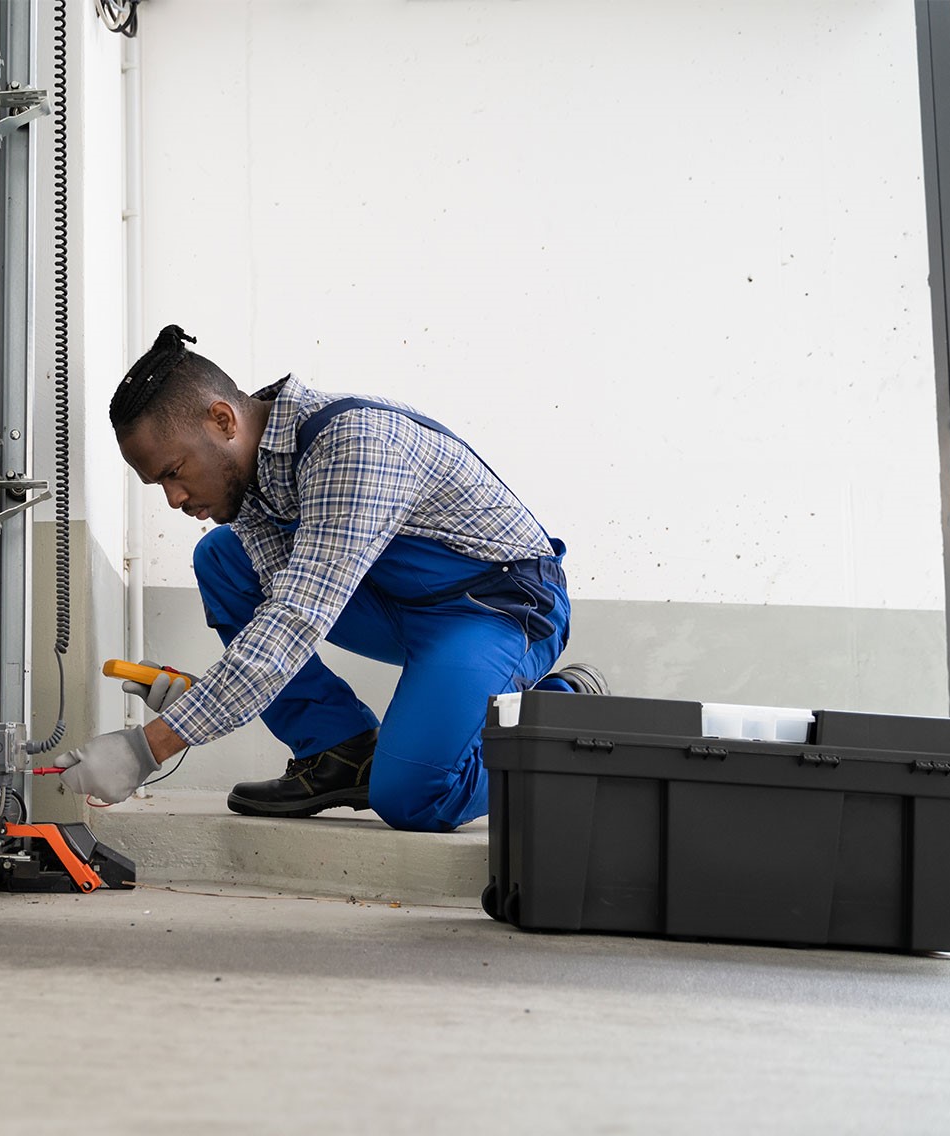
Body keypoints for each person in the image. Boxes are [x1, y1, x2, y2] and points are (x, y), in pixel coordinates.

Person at [54, 325, 605, 831]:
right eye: (160, 486)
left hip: (494, 609)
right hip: (395, 602)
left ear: (222, 420)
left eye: (173, 473)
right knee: (223, 557)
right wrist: (200, 698)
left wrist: (146, 748)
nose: (174, 499)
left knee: (414, 795)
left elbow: (295, 622)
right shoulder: (249, 480)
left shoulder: (353, 444)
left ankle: (560, 713)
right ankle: (339, 751)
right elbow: (277, 615)